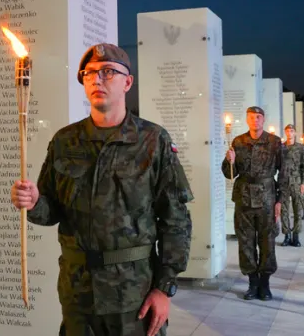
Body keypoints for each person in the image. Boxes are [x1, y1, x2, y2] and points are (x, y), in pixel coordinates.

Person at [11, 43, 193, 336]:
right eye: (90, 73)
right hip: (78, 293)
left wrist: (165, 288)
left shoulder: (152, 140)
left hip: (133, 295)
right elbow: (51, 210)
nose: (97, 79)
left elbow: (176, 220)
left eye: (108, 72)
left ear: (127, 82)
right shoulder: (65, 141)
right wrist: (33, 202)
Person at [221, 106, 283, 301]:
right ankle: (252, 281)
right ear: (247, 120)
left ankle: (265, 283)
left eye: (258, 117)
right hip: (244, 197)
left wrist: (280, 201)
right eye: (251, 117)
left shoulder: (274, 142)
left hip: (267, 198)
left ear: (263, 120)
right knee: (246, 241)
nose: (255, 121)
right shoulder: (238, 142)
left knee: (267, 241)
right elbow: (229, 173)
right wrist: (228, 160)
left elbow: (284, 173)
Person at [279, 124, 304, 247]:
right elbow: (276, 165)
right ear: (285, 133)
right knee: (284, 210)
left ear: (295, 133)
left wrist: (303, 182)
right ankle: (286, 235)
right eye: (288, 131)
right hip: (284, 182)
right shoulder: (281, 147)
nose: (290, 133)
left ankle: (296, 236)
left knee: (297, 209)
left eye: (292, 131)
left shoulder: (300, 148)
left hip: (296, 181)